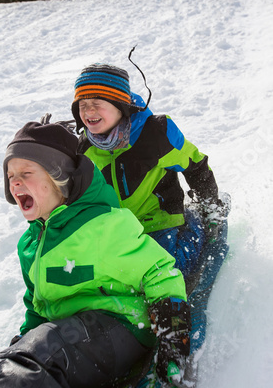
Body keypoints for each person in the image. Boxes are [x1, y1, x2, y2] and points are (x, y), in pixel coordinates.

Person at [0, 121, 192, 388]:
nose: (16, 181)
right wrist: (24, 342)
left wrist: (173, 336)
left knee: (25, 367)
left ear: (59, 178)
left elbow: (159, 270)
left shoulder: (102, 225)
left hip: (121, 325)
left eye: (27, 172)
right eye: (10, 176)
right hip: (68, 339)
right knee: (7, 368)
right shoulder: (30, 245)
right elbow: (37, 304)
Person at [70, 61, 230, 357]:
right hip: (118, 229)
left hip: (160, 220)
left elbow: (195, 164)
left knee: (172, 272)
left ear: (120, 104)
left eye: (97, 103)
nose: (88, 112)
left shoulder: (156, 133)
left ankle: (195, 225)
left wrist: (210, 204)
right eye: (82, 105)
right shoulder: (83, 148)